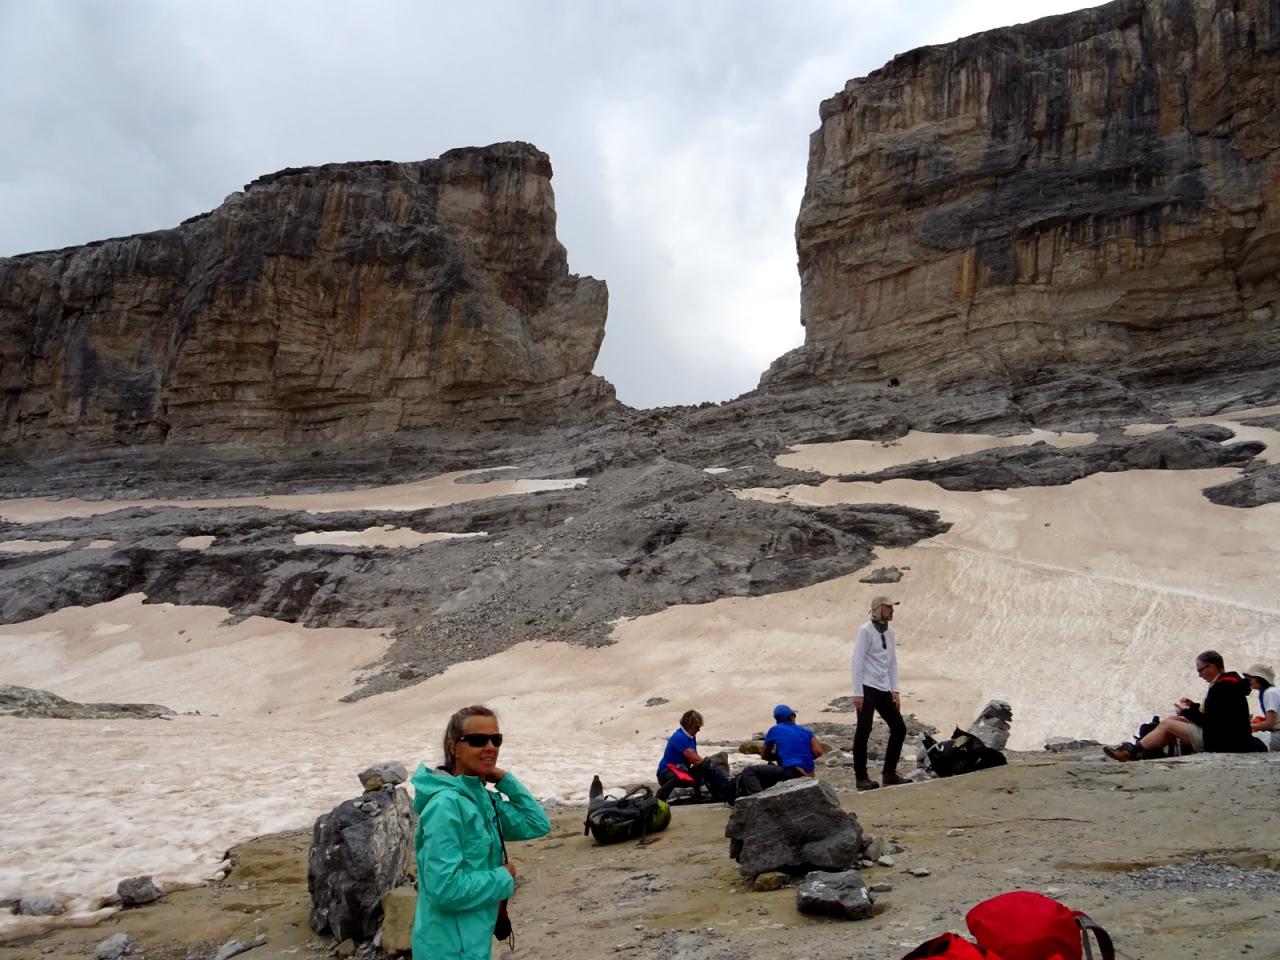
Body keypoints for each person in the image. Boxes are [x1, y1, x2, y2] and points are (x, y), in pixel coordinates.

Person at [411, 705, 551, 959]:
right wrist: (502, 877)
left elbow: (536, 823)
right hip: (447, 949)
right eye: (478, 740)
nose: (490, 747)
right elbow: (445, 890)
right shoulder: (446, 807)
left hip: (471, 942)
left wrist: (505, 779)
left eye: (496, 740)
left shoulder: (482, 800)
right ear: (454, 747)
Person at [1104, 651, 1256, 761]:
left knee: (1169, 724)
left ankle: (1131, 752)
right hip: (1231, 736)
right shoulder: (1230, 684)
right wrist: (1193, 707)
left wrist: (1186, 712)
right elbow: (1216, 714)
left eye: (1200, 670)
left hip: (1223, 741)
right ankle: (1139, 753)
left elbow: (1210, 722)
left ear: (1211, 667)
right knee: (1170, 721)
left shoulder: (1221, 687)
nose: (1200, 675)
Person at [852, 595, 909, 790]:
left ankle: (889, 773)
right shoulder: (865, 631)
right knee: (864, 729)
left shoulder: (890, 632)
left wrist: (895, 690)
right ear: (878, 609)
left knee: (899, 728)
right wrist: (857, 692)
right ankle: (861, 777)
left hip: (884, 687)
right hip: (867, 687)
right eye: (888, 607)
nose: (892, 610)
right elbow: (857, 661)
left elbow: (892, 662)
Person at [736, 704, 826, 797]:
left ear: (777, 720)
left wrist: (780, 756)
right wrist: (801, 755)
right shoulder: (806, 731)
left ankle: (758, 800)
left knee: (749, 771)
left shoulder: (775, 730)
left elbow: (764, 755)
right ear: (792, 717)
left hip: (791, 772)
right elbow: (818, 752)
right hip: (809, 774)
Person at [656, 709, 734, 803]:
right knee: (706, 766)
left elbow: (697, 761)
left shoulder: (691, 737)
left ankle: (720, 790)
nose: (698, 730)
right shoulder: (679, 737)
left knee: (706, 768)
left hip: (682, 771)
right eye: (696, 727)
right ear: (689, 725)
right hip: (667, 774)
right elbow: (696, 760)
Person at [1244, 663, 1279, 751]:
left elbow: (1269, 724)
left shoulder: (1269, 693)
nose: (1249, 683)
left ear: (1260, 679)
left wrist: (1246, 726)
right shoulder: (1272, 691)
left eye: (1250, 680)